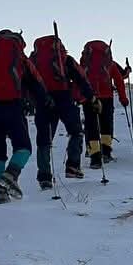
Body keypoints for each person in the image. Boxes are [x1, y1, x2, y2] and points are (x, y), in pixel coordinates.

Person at [0, 30, 50, 204]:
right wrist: (44, 102)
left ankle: (0, 192)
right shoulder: (21, 61)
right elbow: (36, 84)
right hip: (13, 107)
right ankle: (11, 174)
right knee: (23, 147)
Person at [29, 35, 98, 187]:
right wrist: (91, 97)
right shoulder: (65, 59)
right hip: (64, 98)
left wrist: (31, 102)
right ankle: (73, 166)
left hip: (43, 100)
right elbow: (81, 78)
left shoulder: (33, 61)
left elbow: (27, 82)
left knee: (44, 140)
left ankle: (44, 177)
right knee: (76, 132)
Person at [80, 40, 130, 168]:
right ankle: (106, 152)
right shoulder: (110, 64)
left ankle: (94, 158)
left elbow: (78, 80)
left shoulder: (84, 64)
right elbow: (119, 81)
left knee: (91, 126)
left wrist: (78, 97)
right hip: (106, 97)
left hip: (89, 98)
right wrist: (123, 99)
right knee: (106, 125)